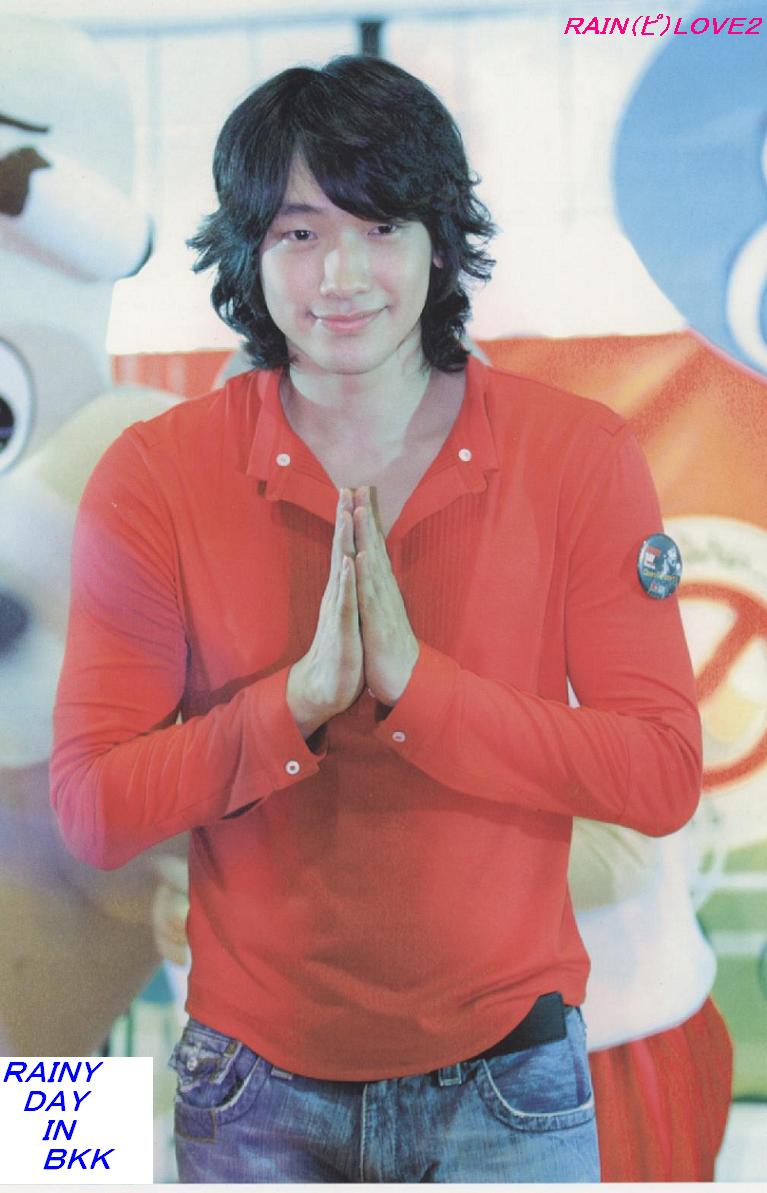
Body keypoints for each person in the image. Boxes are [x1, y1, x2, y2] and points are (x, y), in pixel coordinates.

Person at [51, 56, 703, 1183]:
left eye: (380, 226)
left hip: (510, 1078)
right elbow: (93, 809)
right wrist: (289, 708)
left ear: (439, 241)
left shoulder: (576, 454)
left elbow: (658, 774)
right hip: (250, 1090)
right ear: (249, 251)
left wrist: (422, 690)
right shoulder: (155, 475)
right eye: (299, 232)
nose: (341, 275)